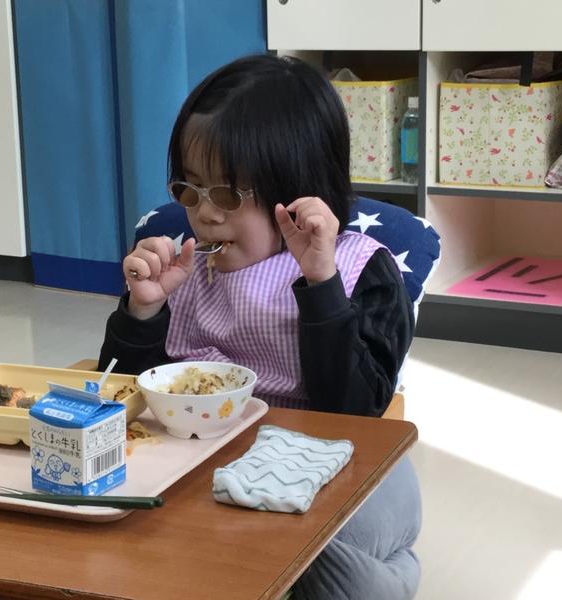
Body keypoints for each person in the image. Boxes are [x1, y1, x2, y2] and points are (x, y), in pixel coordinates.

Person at [99, 54, 421, 600]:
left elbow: (357, 410)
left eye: (226, 194)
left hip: (342, 465)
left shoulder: (359, 268)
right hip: (208, 468)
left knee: (294, 555)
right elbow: (120, 392)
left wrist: (321, 283)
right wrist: (144, 309)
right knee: (135, 524)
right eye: (188, 189)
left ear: (295, 191)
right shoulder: (184, 262)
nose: (203, 214)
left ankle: (390, 579)